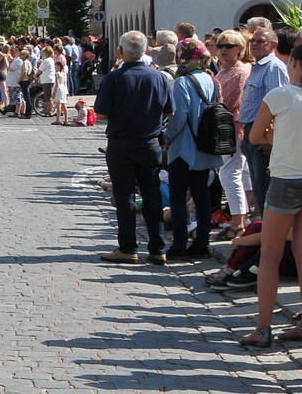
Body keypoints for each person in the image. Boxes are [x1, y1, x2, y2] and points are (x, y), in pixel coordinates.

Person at [241, 42, 302, 349]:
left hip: (288, 178)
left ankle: (263, 327)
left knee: (270, 256)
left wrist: (272, 135)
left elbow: (254, 137)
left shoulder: (281, 95)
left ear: (293, 63)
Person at [93, 30, 172, 265]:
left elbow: (101, 113)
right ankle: (157, 248)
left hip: (122, 143)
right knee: (152, 195)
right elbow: (170, 110)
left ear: (120, 51)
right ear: (145, 51)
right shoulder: (158, 77)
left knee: (125, 195)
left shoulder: (114, 78)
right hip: (150, 142)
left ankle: (128, 248)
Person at [161, 41, 221, 259]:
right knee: (201, 195)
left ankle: (179, 245)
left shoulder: (182, 82)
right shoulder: (212, 80)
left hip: (184, 148)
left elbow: (179, 118)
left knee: (178, 197)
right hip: (205, 145)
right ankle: (202, 243)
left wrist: (167, 138)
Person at [240, 26, 289, 210]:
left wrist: (270, 138)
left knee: (264, 186)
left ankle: (271, 234)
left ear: (273, 45)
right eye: (252, 40)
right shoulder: (257, 67)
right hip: (252, 130)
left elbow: (277, 106)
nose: (254, 44)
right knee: (258, 185)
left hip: (263, 133)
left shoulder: (273, 67)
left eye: (260, 41)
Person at [211, 30, 253, 237]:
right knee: (240, 174)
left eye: (229, 46)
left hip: (234, 128)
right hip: (225, 128)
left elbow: (229, 101)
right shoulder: (223, 71)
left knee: (229, 173)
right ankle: (243, 217)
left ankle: (238, 222)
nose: (223, 50)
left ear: (240, 48)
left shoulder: (240, 71)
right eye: (220, 45)